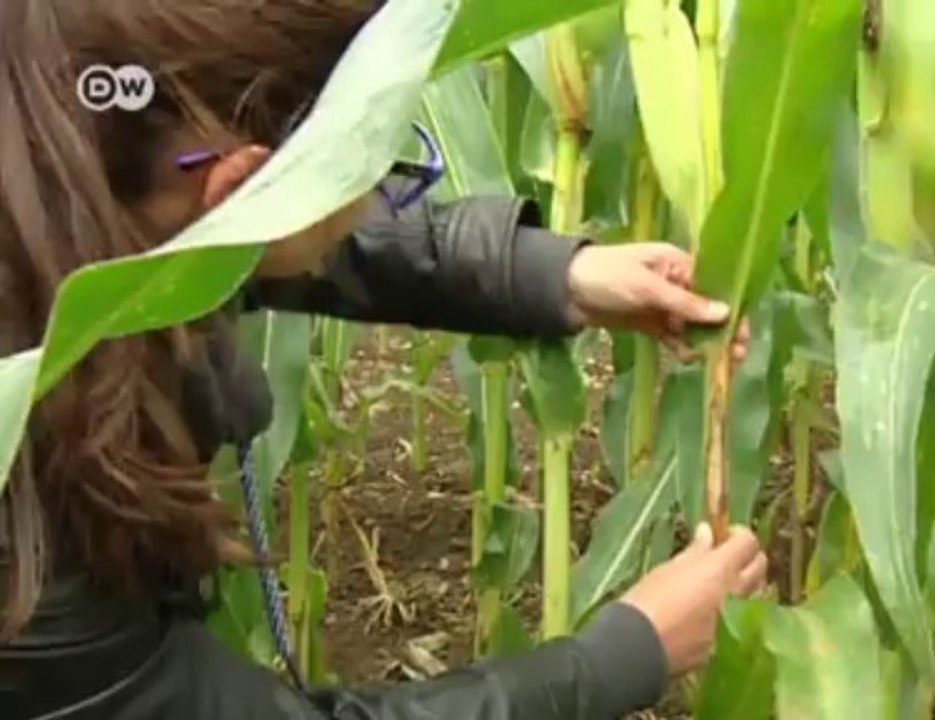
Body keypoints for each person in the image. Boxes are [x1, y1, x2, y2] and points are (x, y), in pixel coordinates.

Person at [0, 1, 768, 719]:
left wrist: (547, 273)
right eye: (377, 160)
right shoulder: (28, 547)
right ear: (246, 185)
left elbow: (271, 238)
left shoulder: (67, 184)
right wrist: (622, 656)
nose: (376, 201)